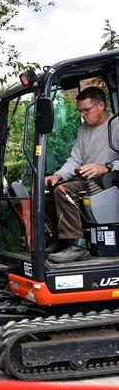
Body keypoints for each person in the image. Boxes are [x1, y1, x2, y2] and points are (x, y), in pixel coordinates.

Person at [45, 86, 119, 264]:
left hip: (107, 180)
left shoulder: (116, 126)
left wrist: (106, 167)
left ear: (101, 105)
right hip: (86, 178)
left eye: (86, 110)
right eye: (80, 111)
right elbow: (75, 160)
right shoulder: (84, 129)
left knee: (64, 191)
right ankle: (59, 240)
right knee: (48, 192)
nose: (83, 115)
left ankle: (77, 246)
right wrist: (58, 176)